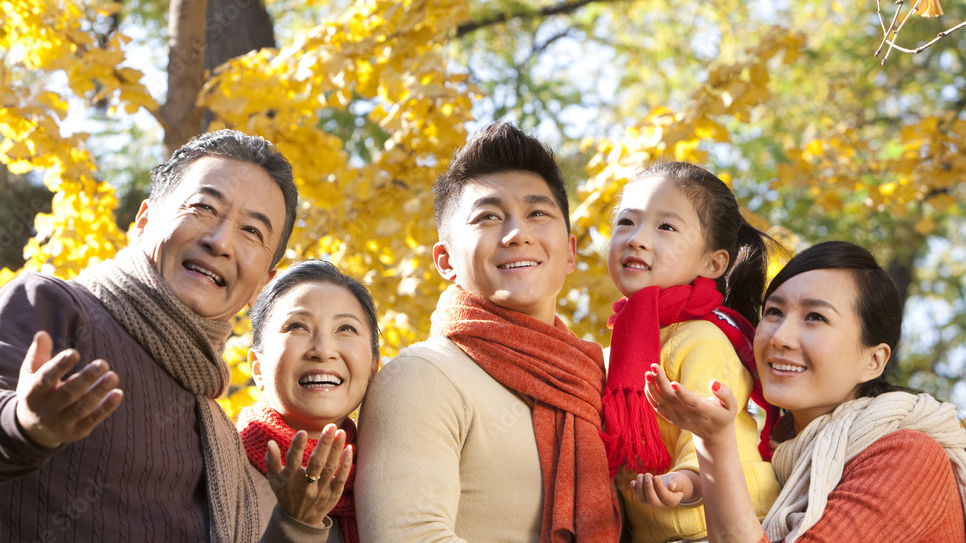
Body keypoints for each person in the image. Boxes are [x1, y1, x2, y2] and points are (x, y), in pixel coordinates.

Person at [0, 129, 323, 541]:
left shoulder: (217, 428)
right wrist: (26, 426)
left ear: (262, 284)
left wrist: (297, 523)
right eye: (204, 207)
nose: (220, 241)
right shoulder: (48, 302)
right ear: (144, 220)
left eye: (252, 232)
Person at [355, 121, 622, 541]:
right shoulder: (423, 375)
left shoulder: (598, 378)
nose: (518, 234)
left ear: (570, 252)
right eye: (489, 217)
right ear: (445, 261)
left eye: (537, 213)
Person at [645, 240, 966, 542]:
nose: (780, 337)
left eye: (815, 317)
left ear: (873, 360)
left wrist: (714, 442)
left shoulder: (908, 456)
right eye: (774, 312)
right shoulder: (774, 457)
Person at [602, 161, 780, 542]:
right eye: (626, 222)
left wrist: (685, 481)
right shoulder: (619, 348)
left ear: (712, 263)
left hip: (723, 523)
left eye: (665, 227)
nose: (637, 239)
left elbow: (717, 431)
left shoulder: (703, 338)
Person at [237, 260, 380, 542]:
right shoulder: (214, 465)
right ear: (257, 367)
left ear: (374, 365)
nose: (323, 350)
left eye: (346, 329)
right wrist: (296, 525)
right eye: (298, 326)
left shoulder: (392, 476)